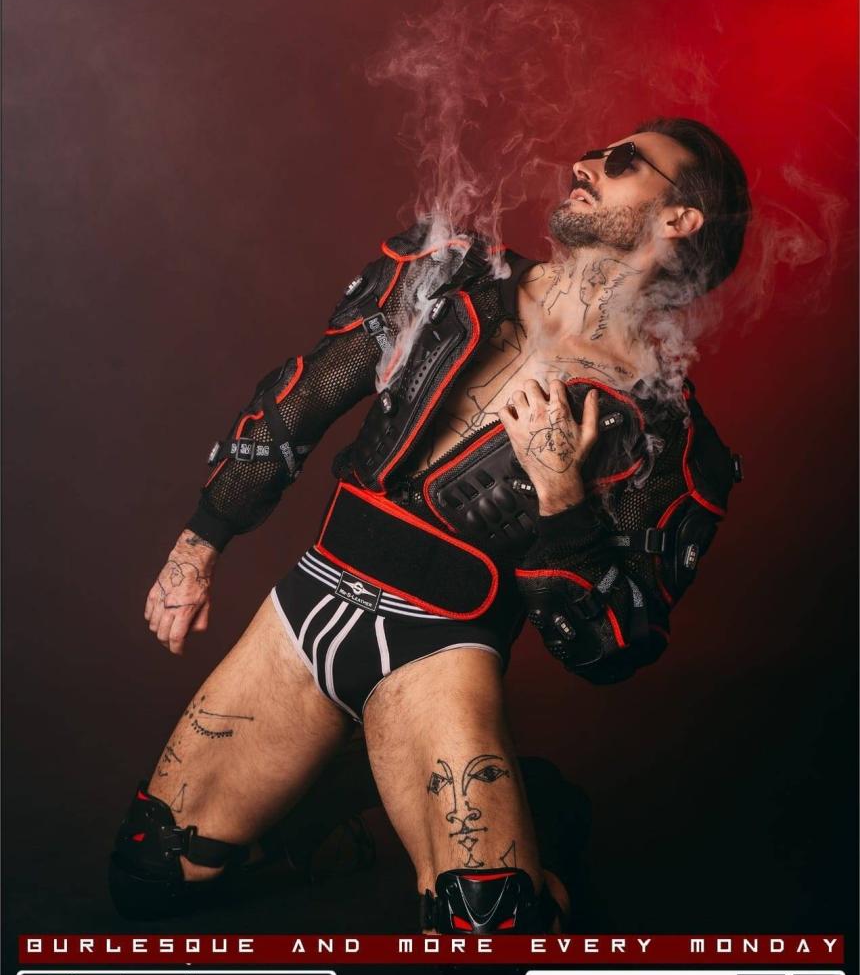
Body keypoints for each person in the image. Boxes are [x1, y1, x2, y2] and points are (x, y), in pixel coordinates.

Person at [110, 117, 749, 933]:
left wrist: (560, 493)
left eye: (623, 160)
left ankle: (542, 817)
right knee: (149, 874)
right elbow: (303, 396)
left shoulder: (664, 431)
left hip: (437, 657)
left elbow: (609, 650)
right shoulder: (445, 272)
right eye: (597, 149)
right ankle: (329, 797)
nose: (587, 162)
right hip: (307, 609)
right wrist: (199, 543)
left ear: (680, 218)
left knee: (488, 936)